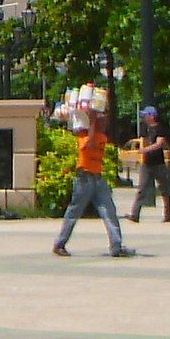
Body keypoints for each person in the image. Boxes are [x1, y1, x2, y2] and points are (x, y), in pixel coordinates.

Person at [53, 103, 132, 258]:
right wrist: (92, 121)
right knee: (74, 211)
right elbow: (88, 145)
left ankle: (116, 245)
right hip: (84, 178)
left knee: (109, 211)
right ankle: (59, 244)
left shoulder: (102, 137)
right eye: (102, 121)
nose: (105, 123)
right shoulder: (84, 137)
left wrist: (95, 119)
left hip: (97, 177)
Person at [128, 106, 170, 223]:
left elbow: (159, 144)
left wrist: (145, 150)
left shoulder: (160, 129)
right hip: (146, 164)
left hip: (159, 164)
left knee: (164, 189)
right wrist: (142, 151)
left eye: (146, 115)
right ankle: (135, 214)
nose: (144, 117)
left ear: (152, 116)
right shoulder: (144, 128)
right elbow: (143, 142)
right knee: (141, 189)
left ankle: (168, 214)